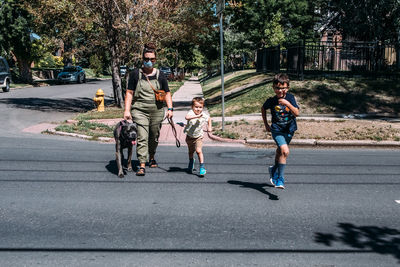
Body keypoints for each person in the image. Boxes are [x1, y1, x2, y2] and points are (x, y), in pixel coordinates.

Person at [124, 43, 173, 176]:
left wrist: (170, 109)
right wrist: (127, 110)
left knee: (154, 137)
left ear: (155, 60)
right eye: (146, 59)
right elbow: (129, 93)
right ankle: (142, 164)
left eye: (152, 60)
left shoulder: (160, 75)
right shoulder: (135, 74)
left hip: (156, 111)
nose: (149, 62)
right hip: (139, 110)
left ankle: (151, 156)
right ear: (142, 59)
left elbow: (167, 93)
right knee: (142, 137)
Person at [261, 73, 299, 189]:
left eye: (283, 88)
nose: (280, 91)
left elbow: (296, 113)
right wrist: (266, 124)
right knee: (285, 151)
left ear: (287, 88)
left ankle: (274, 170)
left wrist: (288, 104)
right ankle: (280, 179)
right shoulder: (272, 101)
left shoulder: (290, 98)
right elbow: (263, 108)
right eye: (277, 88)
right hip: (277, 130)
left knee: (280, 152)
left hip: (289, 130)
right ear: (273, 88)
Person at [183, 97, 212, 177]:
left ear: (202, 107)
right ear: (192, 107)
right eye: (196, 107)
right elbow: (187, 117)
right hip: (189, 136)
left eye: (200, 107)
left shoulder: (203, 115)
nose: (198, 109)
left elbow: (209, 119)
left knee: (199, 151)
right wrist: (197, 116)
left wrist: (209, 127)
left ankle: (202, 167)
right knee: (191, 152)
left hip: (198, 137)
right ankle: (191, 162)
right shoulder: (191, 113)